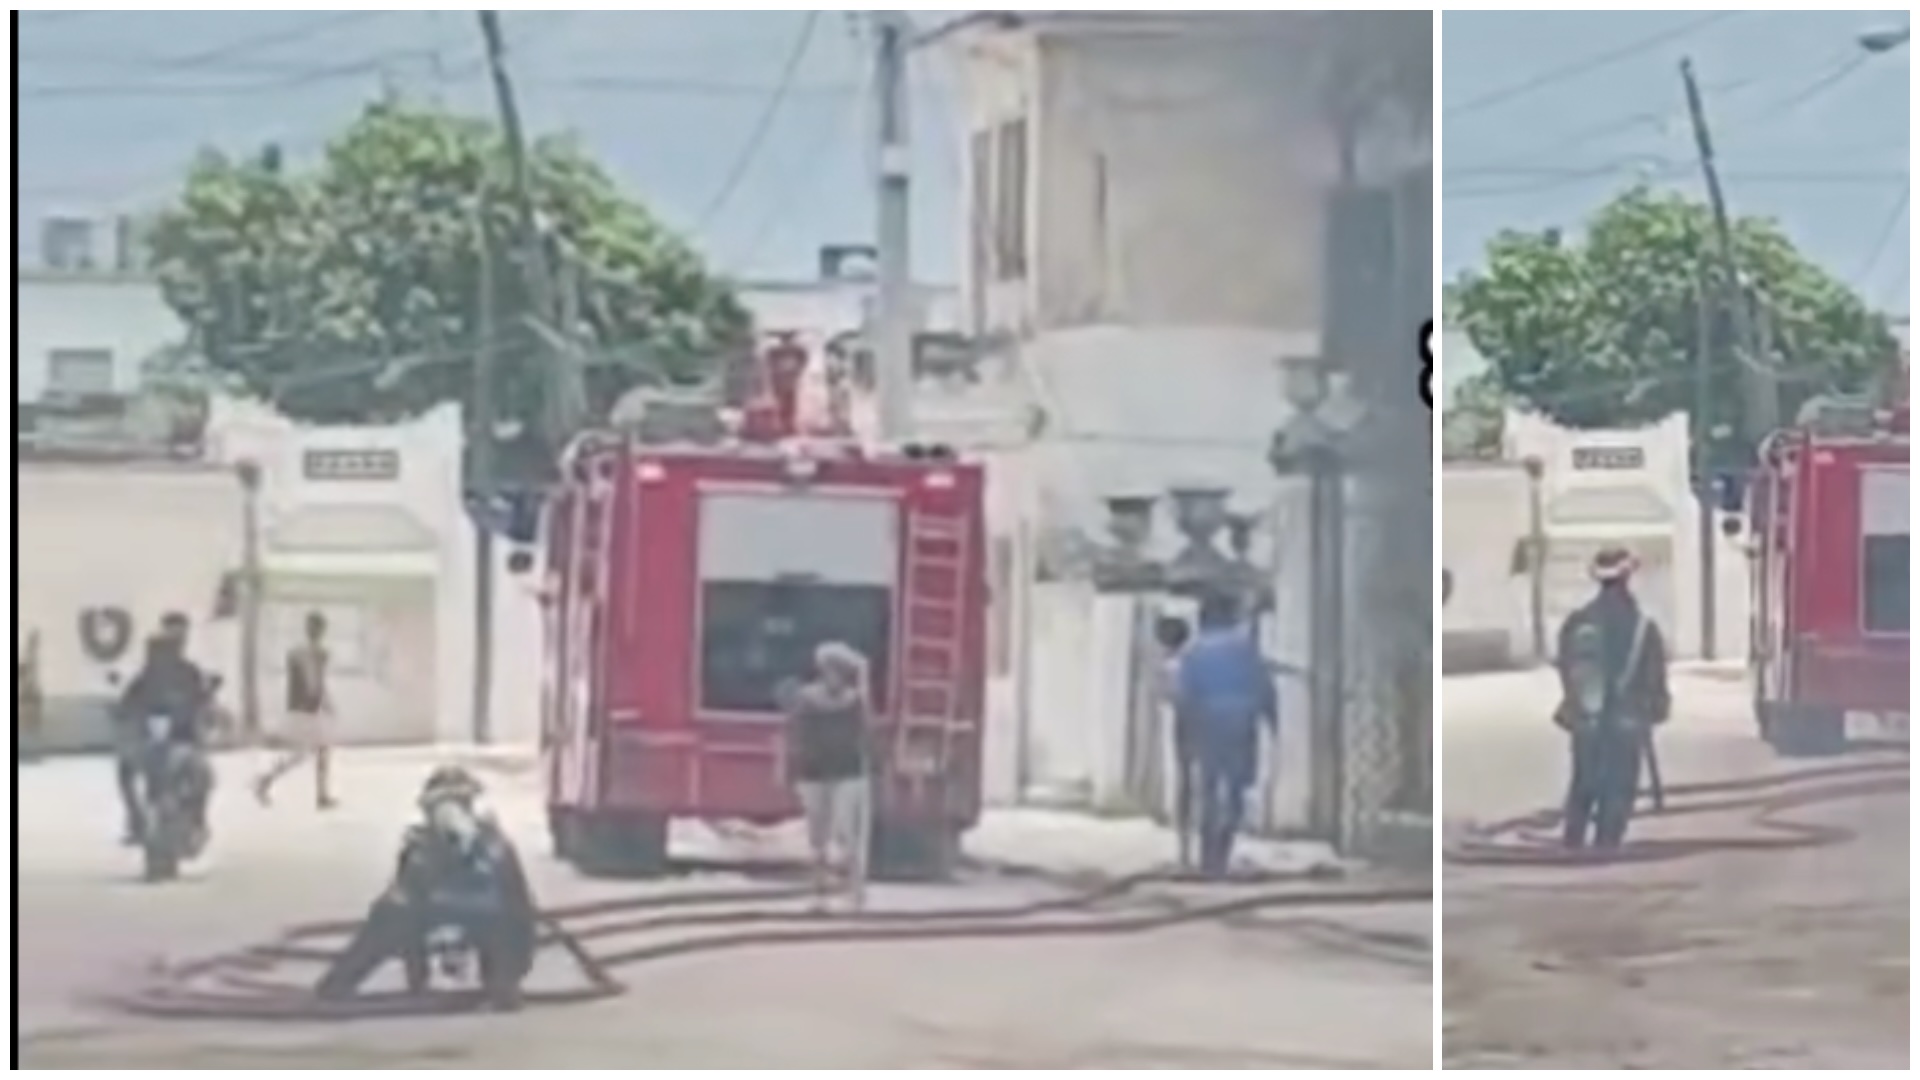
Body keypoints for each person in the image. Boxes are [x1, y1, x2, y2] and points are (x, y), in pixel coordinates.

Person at [317, 766, 538, 1009]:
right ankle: (339, 984)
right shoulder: (425, 845)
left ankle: (501, 981)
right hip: (451, 909)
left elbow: (519, 911)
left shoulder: (491, 845)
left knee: (394, 911)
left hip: (484, 915)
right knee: (391, 912)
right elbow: (405, 898)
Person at [1554, 546, 1672, 851]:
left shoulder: (1576, 622)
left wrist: (1577, 706)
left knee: (1583, 783)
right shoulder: (1644, 629)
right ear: (1627, 578)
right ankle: (1606, 845)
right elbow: (1655, 678)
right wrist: (1655, 709)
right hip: (1627, 722)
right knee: (1620, 787)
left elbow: (1566, 668)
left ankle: (1573, 843)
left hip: (1587, 721)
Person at [1175, 593, 1279, 879]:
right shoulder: (1246, 649)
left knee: (1208, 788)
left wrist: (1185, 736)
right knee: (1236, 789)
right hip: (1242, 722)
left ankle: (1209, 856)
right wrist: (1272, 722)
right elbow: (1265, 687)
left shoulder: (1194, 653)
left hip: (1208, 723)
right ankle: (1223, 848)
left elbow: (1185, 696)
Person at [782, 641, 875, 912]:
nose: (834, 676)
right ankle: (819, 891)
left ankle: (855, 889)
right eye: (830, 670)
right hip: (814, 773)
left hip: (848, 772)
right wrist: (792, 768)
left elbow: (866, 733)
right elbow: (794, 735)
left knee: (847, 832)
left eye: (840, 671)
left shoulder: (855, 700)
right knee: (817, 836)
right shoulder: (807, 699)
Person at [114, 613, 215, 846]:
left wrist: (205, 717)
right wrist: (123, 717)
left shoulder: (190, 674)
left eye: (178, 639)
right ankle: (135, 817)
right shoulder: (146, 678)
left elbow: (204, 703)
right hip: (151, 743)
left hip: (184, 740)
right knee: (124, 769)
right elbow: (127, 703)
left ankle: (198, 819)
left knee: (202, 774)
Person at [255, 611, 338, 809]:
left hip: (308, 708)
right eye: (314, 627)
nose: (316, 632)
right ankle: (265, 781)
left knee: (316, 752)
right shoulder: (303, 653)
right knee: (302, 754)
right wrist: (321, 698)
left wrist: (325, 701)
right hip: (302, 709)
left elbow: (318, 681)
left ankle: (321, 795)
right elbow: (312, 680)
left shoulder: (318, 653)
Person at [1152, 615, 1201, 869]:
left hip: (1185, 725)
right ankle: (1199, 850)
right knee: (1200, 786)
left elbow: (1168, 696)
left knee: (1186, 787)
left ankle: (1186, 851)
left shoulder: (1171, 665)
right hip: (1205, 724)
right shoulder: (1195, 661)